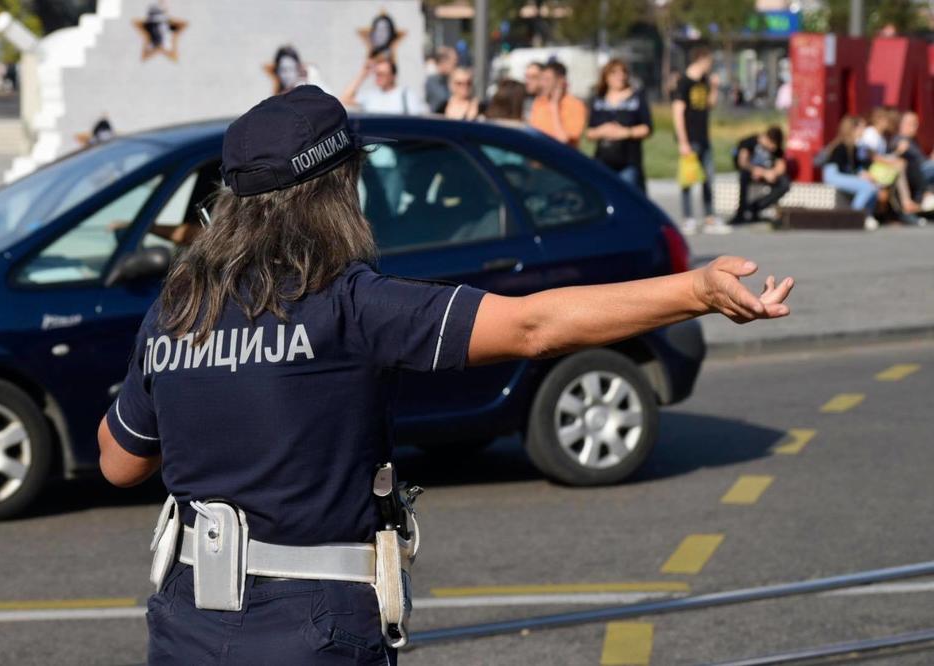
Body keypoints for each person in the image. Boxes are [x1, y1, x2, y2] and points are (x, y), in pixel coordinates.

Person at [97, 85, 794, 665]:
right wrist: (694, 292)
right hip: (311, 628)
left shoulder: (176, 313)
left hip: (186, 623)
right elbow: (533, 326)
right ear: (339, 189)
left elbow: (120, 463)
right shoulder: (350, 304)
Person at [672, 47, 729, 234]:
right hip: (690, 137)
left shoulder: (704, 81)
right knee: (688, 179)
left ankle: (709, 217)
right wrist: (683, 141)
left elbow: (709, 105)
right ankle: (688, 218)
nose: (710, 66)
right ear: (700, 59)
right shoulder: (684, 82)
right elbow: (677, 112)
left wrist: (714, 88)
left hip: (704, 136)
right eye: (709, 62)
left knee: (708, 178)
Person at [585, 58, 652, 191]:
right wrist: (603, 131)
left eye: (623, 72)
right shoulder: (598, 99)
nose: (620, 76)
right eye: (614, 73)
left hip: (628, 161)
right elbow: (589, 132)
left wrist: (625, 132)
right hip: (603, 160)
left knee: (628, 198)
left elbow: (647, 127)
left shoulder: (636, 97)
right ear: (606, 76)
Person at [822, 115, 879, 229]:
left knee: (873, 187)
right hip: (834, 175)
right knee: (867, 187)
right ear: (853, 129)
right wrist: (859, 175)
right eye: (862, 128)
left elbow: (857, 166)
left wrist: (864, 173)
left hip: (841, 174)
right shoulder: (842, 146)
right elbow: (843, 167)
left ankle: (866, 214)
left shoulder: (856, 146)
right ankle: (853, 215)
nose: (864, 131)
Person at [730, 126, 790, 224]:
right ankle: (741, 213)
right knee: (744, 176)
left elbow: (781, 166)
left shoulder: (776, 148)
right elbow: (743, 162)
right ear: (767, 139)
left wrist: (772, 173)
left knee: (784, 183)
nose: (773, 148)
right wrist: (757, 171)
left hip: (767, 174)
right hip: (750, 172)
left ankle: (756, 207)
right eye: (772, 145)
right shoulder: (750, 142)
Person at [528, 60, 587, 148]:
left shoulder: (575, 105)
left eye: (547, 80)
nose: (542, 84)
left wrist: (554, 107)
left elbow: (564, 140)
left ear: (560, 81)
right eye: (542, 79)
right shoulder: (540, 101)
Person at [341, 57, 427, 115]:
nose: (378, 77)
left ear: (393, 76)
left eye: (382, 74)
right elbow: (345, 99)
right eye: (377, 74)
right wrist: (363, 74)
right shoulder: (370, 95)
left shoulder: (406, 95)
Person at [424, 46, 457, 112]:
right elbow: (443, 99)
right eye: (453, 62)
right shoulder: (432, 80)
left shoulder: (447, 79)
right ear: (443, 62)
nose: (455, 66)